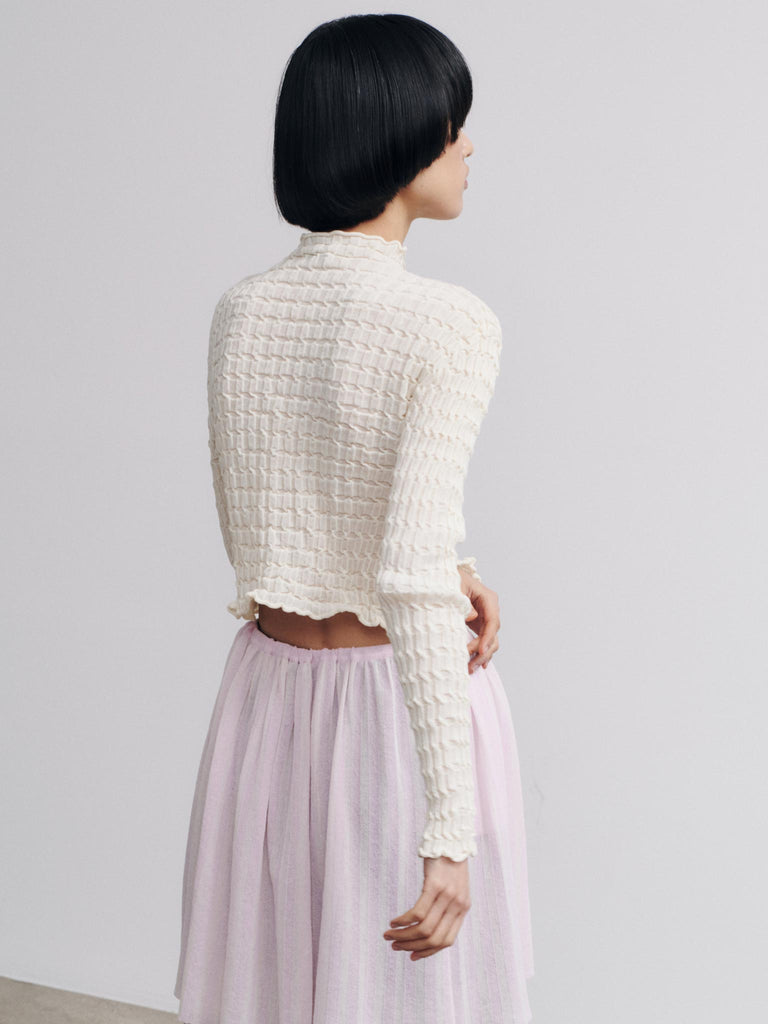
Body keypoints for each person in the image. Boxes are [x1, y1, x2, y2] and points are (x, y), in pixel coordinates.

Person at [174, 13, 534, 1023]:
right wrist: (449, 830)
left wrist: (446, 567)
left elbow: (271, 525)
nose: (468, 145)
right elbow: (405, 574)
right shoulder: (448, 322)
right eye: (452, 123)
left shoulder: (243, 310)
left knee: (276, 990)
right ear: (395, 134)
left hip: (267, 701)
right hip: (396, 708)